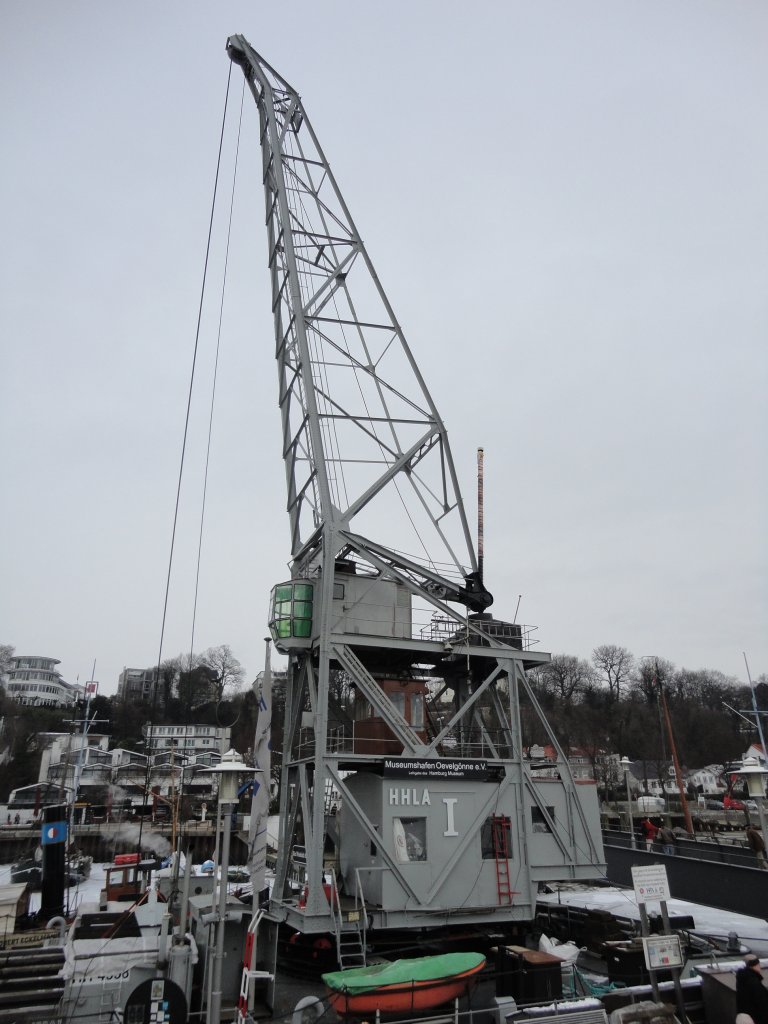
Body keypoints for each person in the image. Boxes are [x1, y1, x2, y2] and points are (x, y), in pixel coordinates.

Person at [736, 955, 768, 1024]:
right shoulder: (753, 981)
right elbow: (762, 1003)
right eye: (759, 965)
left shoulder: (742, 979)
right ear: (756, 965)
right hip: (751, 1019)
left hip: (741, 1017)